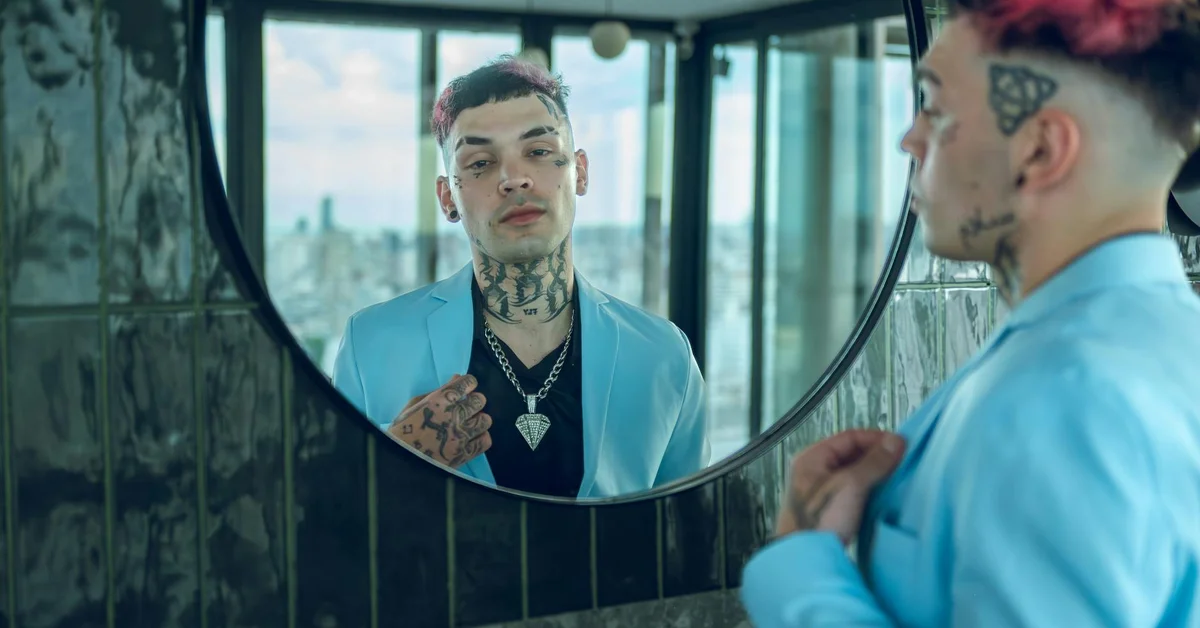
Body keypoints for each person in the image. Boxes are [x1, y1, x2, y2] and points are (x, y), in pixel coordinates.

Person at [741, 0, 1200, 625]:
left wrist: (798, 567)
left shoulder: (1067, 398)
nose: (911, 137)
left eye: (935, 106)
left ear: (1040, 151)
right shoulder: (1149, 346)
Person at [332, 56, 709, 499]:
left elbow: (685, 537)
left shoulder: (664, 357)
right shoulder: (371, 343)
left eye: (539, 152)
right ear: (446, 197)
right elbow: (328, 522)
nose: (513, 179)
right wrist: (393, 459)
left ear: (579, 172)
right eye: (480, 163)